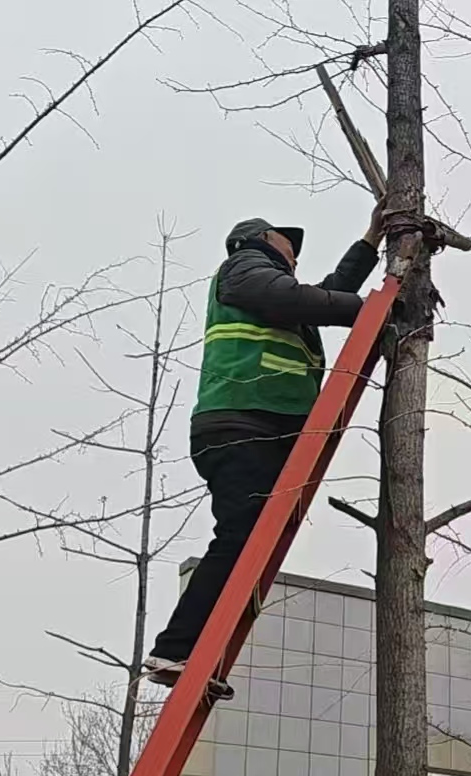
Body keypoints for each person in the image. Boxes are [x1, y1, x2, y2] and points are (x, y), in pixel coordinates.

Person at [143, 202, 386, 693]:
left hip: (262, 425)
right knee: (239, 536)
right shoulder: (243, 268)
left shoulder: (275, 293)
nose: (294, 254)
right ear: (261, 239)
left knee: (251, 541)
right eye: (287, 243)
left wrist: (370, 239)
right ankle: (174, 650)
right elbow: (304, 299)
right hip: (243, 423)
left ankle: (200, 652)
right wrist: (375, 311)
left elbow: (327, 296)